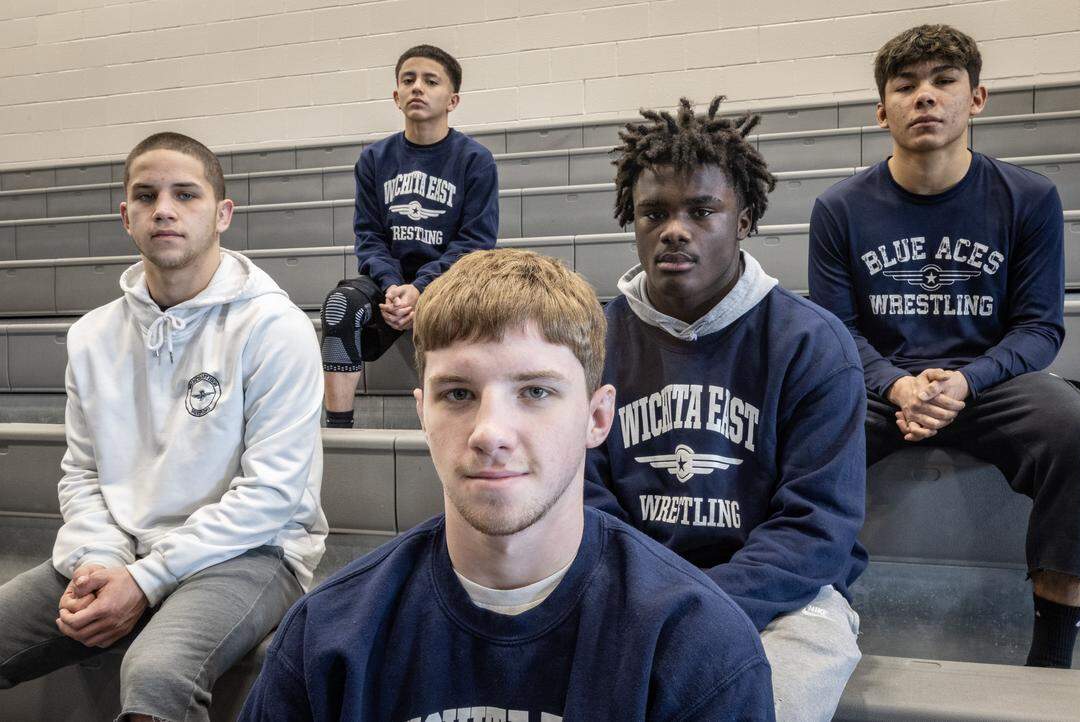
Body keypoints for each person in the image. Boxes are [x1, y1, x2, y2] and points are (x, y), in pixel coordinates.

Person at [240, 249, 774, 721]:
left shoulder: (698, 644)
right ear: (422, 413)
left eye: (536, 392)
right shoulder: (326, 636)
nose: (490, 433)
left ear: (597, 416)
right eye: (457, 394)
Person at [808, 24, 1080, 669]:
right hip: (882, 386)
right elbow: (838, 332)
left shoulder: (1030, 198)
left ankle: (1052, 659)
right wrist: (895, 384)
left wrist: (966, 382)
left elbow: (1039, 329)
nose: (925, 97)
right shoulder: (839, 208)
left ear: (975, 99)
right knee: (801, 432)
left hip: (991, 384)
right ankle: (807, 623)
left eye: (943, 82)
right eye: (906, 86)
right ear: (882, 109)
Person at [0, 132, 327, 721]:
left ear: (222, 213)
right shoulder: (92, 336)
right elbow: (82, 473)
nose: (165, 210)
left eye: (186, 195)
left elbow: (272, 497)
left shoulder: (275, 327)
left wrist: (146, 580)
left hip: (252, 553)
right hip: (120, 548)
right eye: (146, 196)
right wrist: (101, 561)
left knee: (156, 675)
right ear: (126, 217)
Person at [584, 97, 866, 721]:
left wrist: (692, 604)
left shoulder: (812, 344)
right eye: (653, 213)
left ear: (743, 220)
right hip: (629, 589)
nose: (674, 229)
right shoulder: (593, 342)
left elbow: (816, 529)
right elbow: (580, 495)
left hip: (787, 601)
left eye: (701, 211)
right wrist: (647, 597)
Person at [321, 44, 499, 428]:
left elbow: (476, 242)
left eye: (430, 81)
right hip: (389, 287)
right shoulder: (374, 159)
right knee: (339, 307)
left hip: (451, 283)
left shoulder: (475, 160)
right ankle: (338, 432)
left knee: (460, 313)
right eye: (409, 80)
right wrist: (392, 287)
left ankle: (457, 429)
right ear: (396, 96)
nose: (418, 87)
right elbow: (368, 237)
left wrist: (422, 287)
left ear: (452, 100)